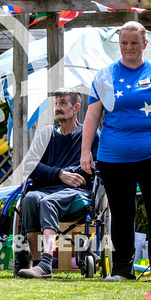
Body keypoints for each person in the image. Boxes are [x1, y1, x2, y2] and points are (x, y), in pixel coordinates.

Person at [80, 21, 151, 283]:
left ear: (145, 44)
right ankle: (121, 270)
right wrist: (85, 151)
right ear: (119, 44)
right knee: (121, 213)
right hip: (113, 156)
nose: (129, 48)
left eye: (134, 43)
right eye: (124, 43)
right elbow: (93, 115)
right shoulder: (104, 76)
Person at [17, 88, 99, 279]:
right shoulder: (47, 133)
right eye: (56, 104)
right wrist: (60, 174)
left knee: (47, 202)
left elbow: (95, 165)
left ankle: (46, 263)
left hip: (78, 193)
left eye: (63, 103)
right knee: (30, 198)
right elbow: (29, 164)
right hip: (47, 189)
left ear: (76, 107)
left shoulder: (89, 135)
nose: (57, 108)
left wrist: (70, 175)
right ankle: (37, 264)